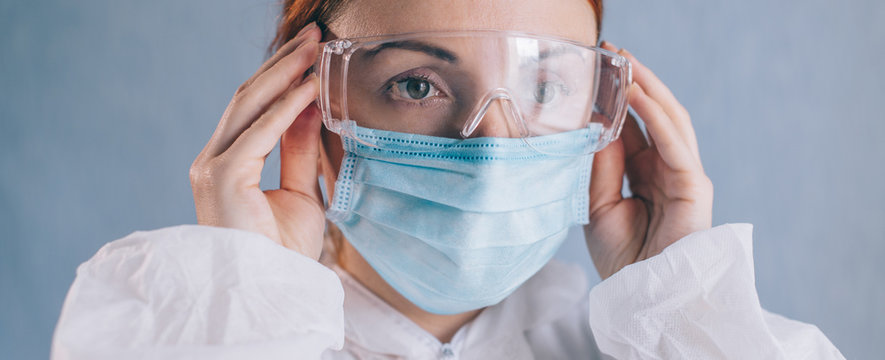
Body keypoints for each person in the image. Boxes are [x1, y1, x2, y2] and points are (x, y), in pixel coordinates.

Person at [51, 0, 845, 359]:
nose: (492, 144)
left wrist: (677, 307)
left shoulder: (654, 347)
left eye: (544, 87)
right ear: (309, 103)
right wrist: (242, 290)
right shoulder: (176, 329)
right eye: (417, 85)